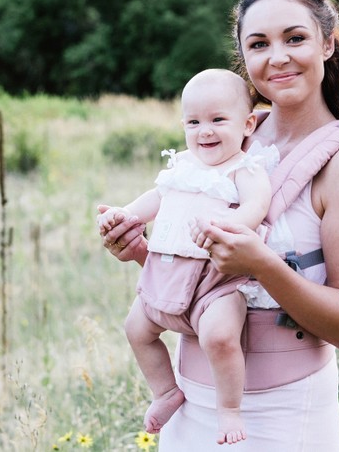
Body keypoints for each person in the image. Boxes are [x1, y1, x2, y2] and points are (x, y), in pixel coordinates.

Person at [99, 0, 339, 451]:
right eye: (259, 44)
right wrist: (142, 250)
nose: (277, 56)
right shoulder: (231, 136)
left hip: (280, 412)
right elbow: (206, 277)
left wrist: (260, 262)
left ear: (327, 43)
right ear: (243, 58)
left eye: (295, 38)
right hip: (190, 400)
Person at [97, 68, 276, 444]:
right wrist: (125, 215)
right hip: (165, 274)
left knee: (220, 337)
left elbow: (257, 206)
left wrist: (228, 224)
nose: (204, 131)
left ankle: (229, 409)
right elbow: (156, 198)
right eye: (193, 122)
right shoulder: (181, 167)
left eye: (217, 120)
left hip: (217, 281)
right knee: (136, 329)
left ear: (247, 124)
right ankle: (165, 391)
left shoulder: (244, 169)